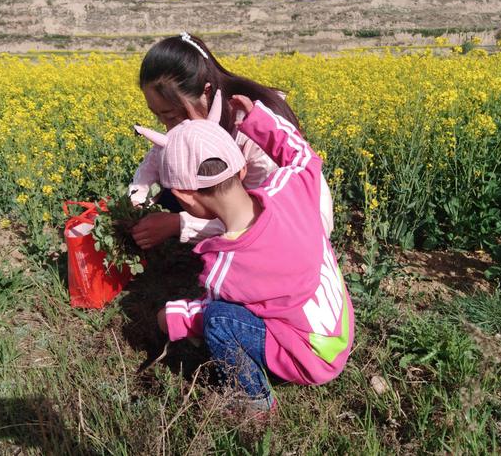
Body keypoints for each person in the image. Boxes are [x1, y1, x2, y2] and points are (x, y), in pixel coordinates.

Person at [134, 90, 354, 412]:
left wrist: (173, 317)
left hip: (311, 359)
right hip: (338, 332)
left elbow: (208, 313)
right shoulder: (290, 187)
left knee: (218, 320)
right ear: (240, 170)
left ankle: (254, 398)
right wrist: (259, 120)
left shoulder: (226, 264)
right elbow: (303, 156)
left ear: (184, 196)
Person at [129, 32, 334, 249]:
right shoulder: (192, 124)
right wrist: (136, 199)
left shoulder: (251, 128)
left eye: (171, 116)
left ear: (206, 93)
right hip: (240, 205)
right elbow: (156, 159)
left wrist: (178, 225)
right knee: (171, 182)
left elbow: (258, 218)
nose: (168, 128)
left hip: (294, 231)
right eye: (157, 116)